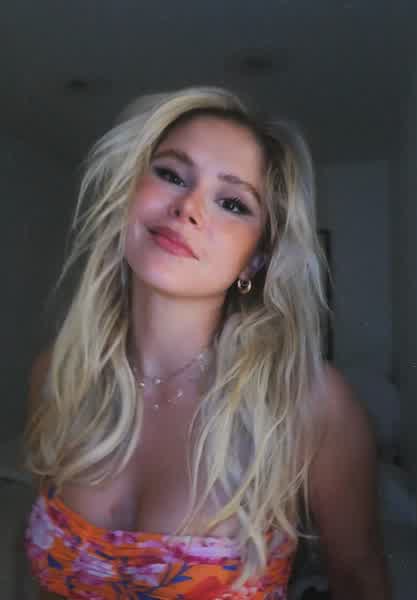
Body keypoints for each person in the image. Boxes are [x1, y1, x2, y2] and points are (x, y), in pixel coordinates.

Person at [24, 86, 391, 599]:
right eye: (172, 174)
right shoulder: (57, 376)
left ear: (255, 260)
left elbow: (358, 579)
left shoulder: (311, 404)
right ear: (128, 196)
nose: (189, 207)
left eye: (232, 203)